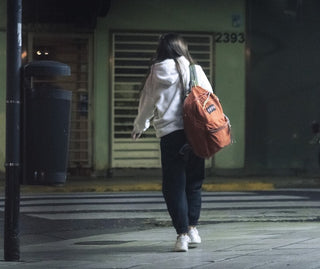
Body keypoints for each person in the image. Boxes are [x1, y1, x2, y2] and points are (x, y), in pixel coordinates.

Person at [131, 33, 213, 252]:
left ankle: (182, 236)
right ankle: (193, 229)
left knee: (174, 186)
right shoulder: (195, 70)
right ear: (181, 48)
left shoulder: (155, 73)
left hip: (170, 136)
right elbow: (210, 98)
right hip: (195, 133)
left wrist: (140, 127)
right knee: (194, 182)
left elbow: (146, 105)